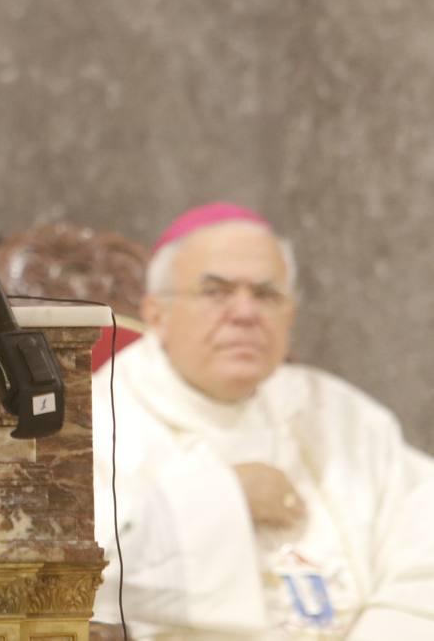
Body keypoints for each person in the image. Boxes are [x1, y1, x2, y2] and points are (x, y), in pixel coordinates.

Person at [92, 203, 434, 639]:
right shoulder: (96, 422)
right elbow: (69, 574)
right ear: (157, 313)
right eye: (216, 292)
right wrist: (222, 495)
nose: (244, 312)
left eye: (267, 295)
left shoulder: (341, 415)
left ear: (289, 315)